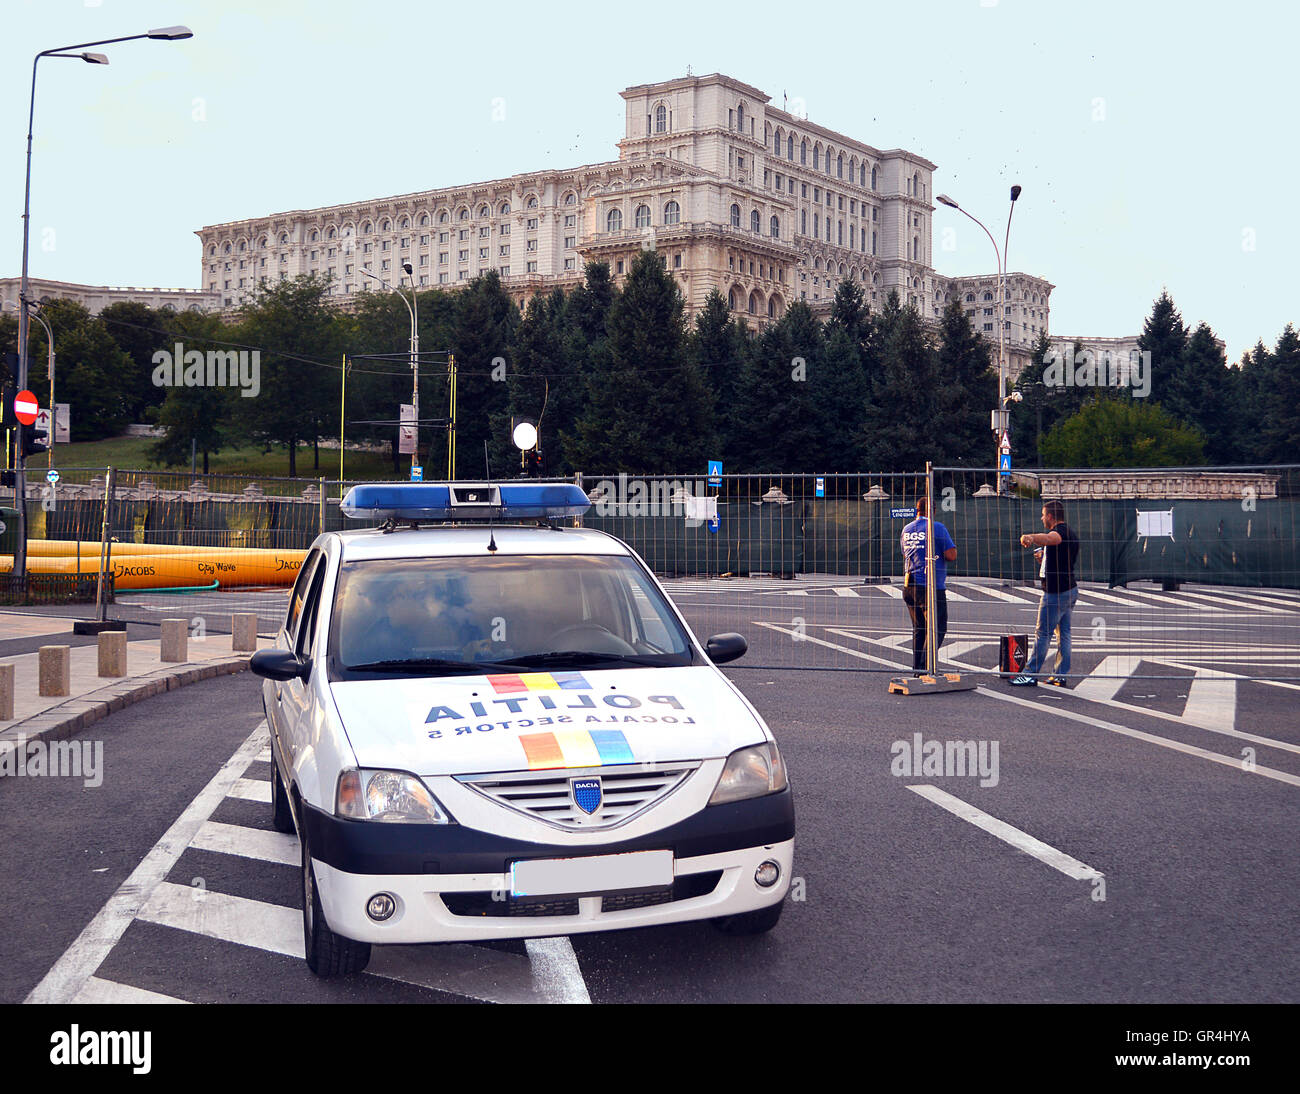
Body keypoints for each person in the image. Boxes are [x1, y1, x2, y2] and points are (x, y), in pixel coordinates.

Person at [1011, 499, 1081, 686]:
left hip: (1056, 592)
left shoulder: (1059, 533)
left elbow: (1052, 539)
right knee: (1064, 634)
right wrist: (1044, 558)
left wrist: (1031, 537)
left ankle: (1029, 674)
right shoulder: (1071, 533)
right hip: (1070, 589)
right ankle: (1060, 675)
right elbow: (1061, 556)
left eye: (1043, 515)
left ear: (1050, 516)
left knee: (1042, 634)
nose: (1042, 518)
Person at [900, 497, 957, 673]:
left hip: (909, 583)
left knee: (919, 629)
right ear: (932, 511)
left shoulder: (907, 529)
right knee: (938, 627)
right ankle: (926, 666)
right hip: (930, 586)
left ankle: (917, 668)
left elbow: (905, 553)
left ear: (916, 510)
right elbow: (951, 554)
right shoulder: (936, 527)